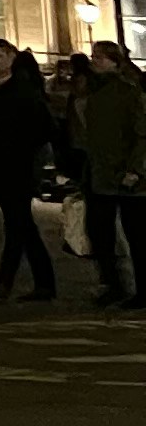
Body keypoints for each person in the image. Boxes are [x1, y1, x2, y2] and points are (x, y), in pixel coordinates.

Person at [0, 37, 54, 302]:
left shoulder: (24, 90)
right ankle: (41, 283)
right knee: (21, 225)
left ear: (12, 58)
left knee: (18, 223)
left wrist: (22, 151)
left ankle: (7, 281)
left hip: (19, 166)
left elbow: (45, 129)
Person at [72, 36, 141, 308]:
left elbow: (140, 134)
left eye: (99, 57)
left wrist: (134, 169)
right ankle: (113, 284)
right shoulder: (89, 91)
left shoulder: (127, 91)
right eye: (93, 56)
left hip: (124, 174)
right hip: (97, 172)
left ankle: (139, 289)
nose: (94, 61)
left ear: (114, 62)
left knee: (136, 235)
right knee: (100, 233)